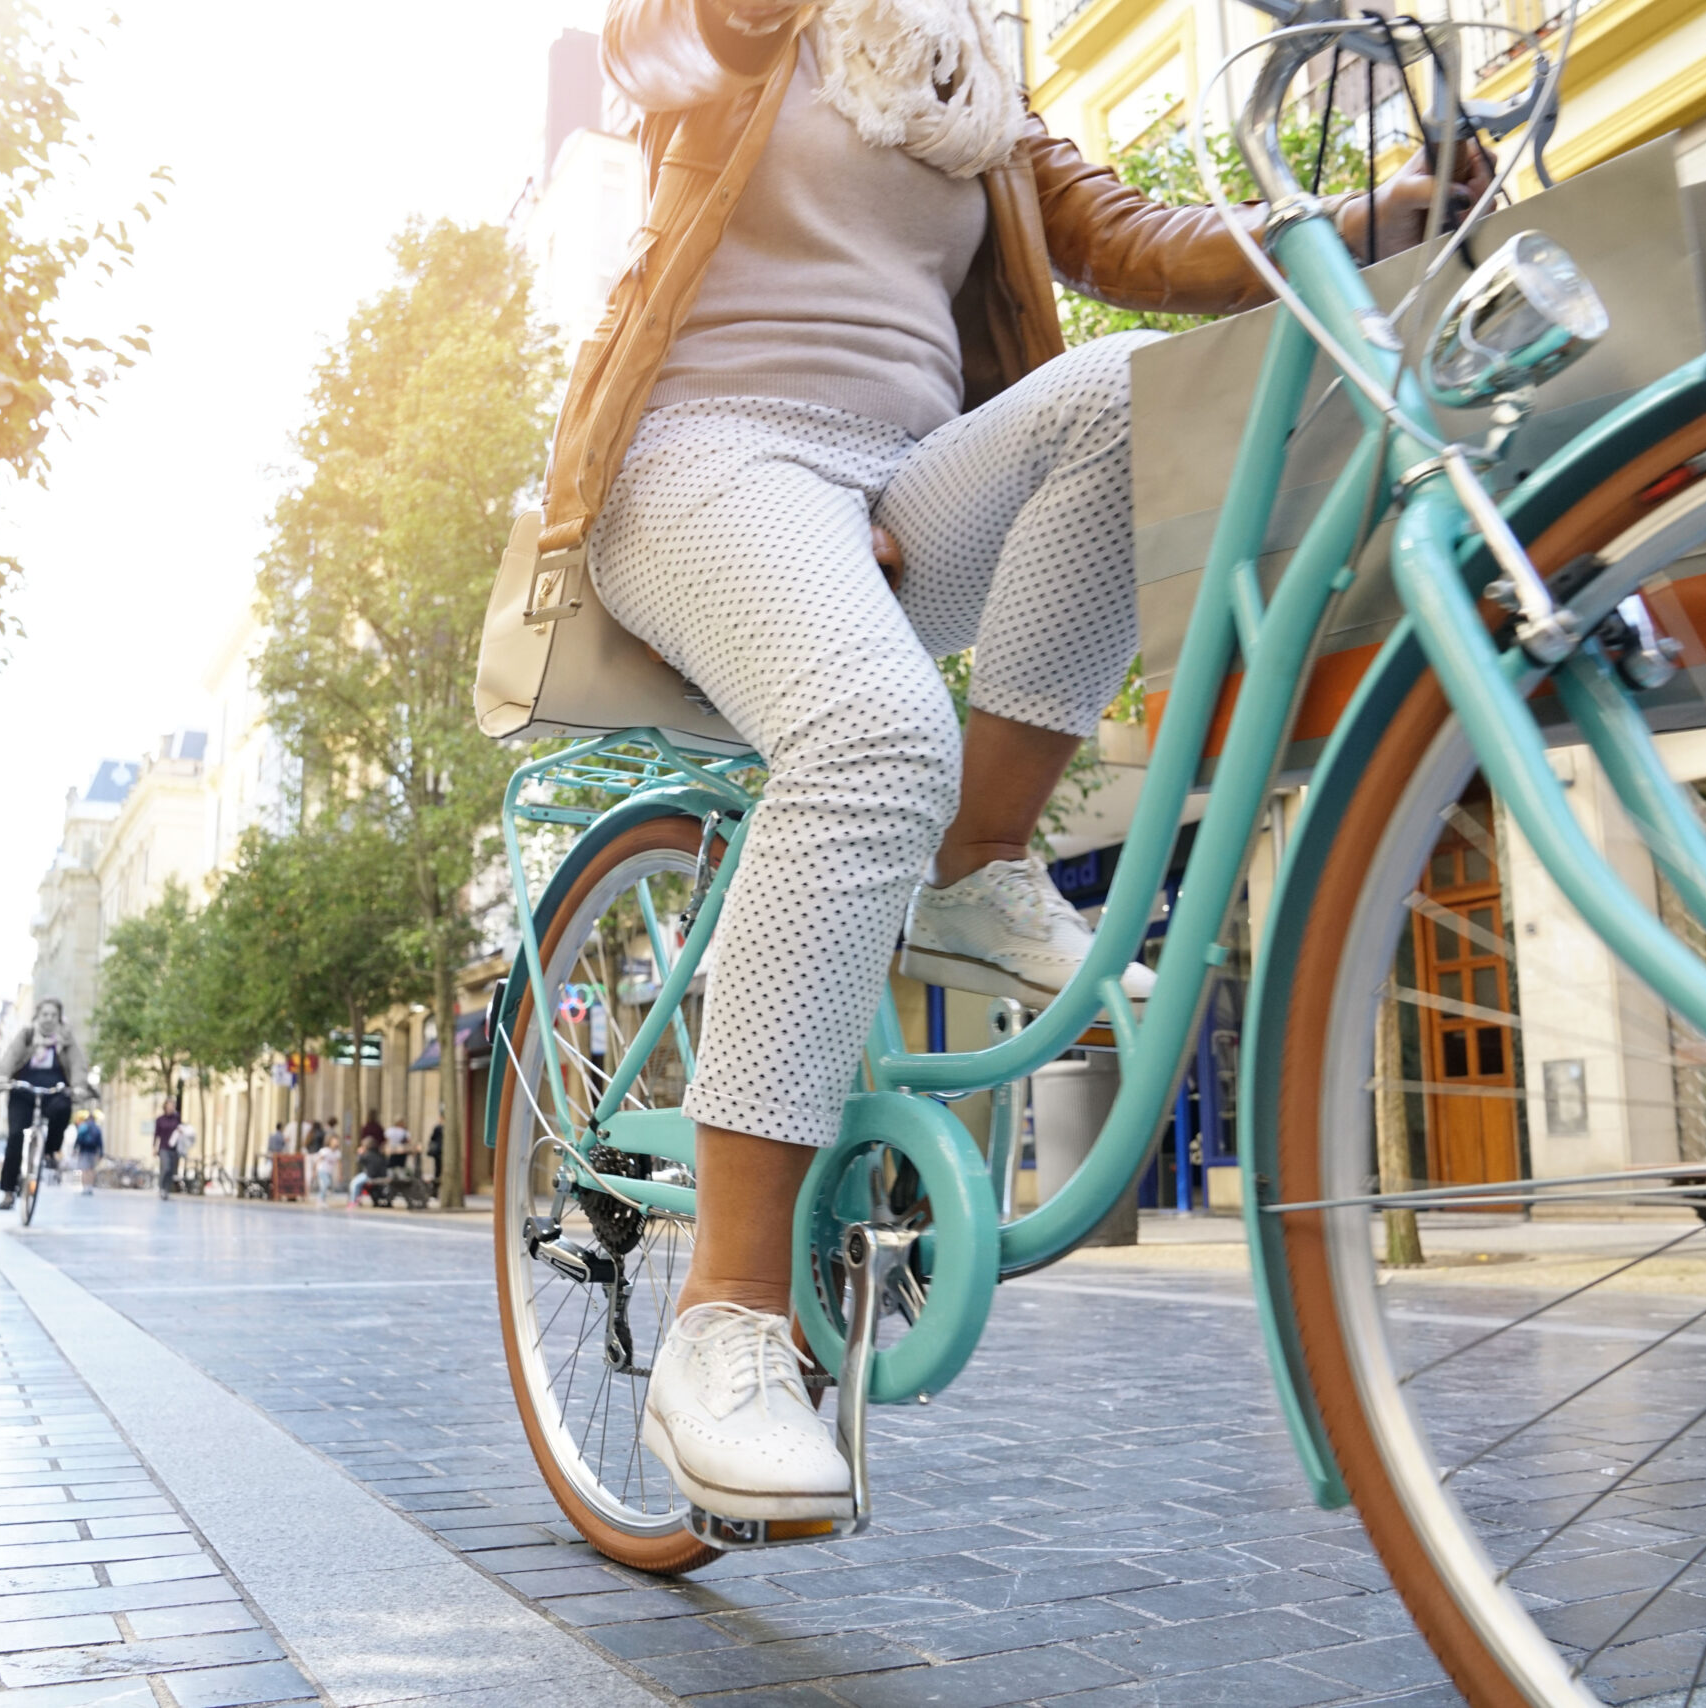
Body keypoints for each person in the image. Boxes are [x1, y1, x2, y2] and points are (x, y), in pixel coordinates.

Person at [572, 0, 1485, 1519]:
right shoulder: (726, 26)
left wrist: (1369, 216)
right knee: (876, 732)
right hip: (709, 463)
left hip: (900, 486)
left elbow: (1133, 239)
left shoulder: (966, 72)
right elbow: (660, 46)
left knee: (1136, 400)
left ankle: (977, 859)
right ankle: (722, 1323)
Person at [0, 998, 90, 1212]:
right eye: (45, 1014)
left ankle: (50, 1150)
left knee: (63, 1107)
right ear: (38, 1015)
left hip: (54, 1089)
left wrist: (79, 1085)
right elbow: (10, 1057)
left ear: (59, 1018)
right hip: (22, 1089)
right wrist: (2, 1077)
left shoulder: (66, 1039)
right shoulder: (26, 1035)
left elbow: (77, 1064)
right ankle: (8, 1192)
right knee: (15, 1136)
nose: (49, 1019)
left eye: (53, 1015)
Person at [348, 1127, 390, 1208]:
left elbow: (358, 1161)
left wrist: (360, 1153)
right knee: (359, 1181)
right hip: (381, 1175)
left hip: (370, 1176)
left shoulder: (367, 1155)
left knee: (354, 1183)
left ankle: (354, 1201)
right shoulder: (379, 1154)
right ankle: (357, 1199)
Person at [153, 1098, 183, 1199]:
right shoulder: (160, 1120)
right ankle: (161, 1188)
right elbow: (156, 1134)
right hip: (163, 1148)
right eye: (169, 1105)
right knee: (165, 1168)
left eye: (173, 1105)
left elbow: (181, 1130)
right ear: (165, 1106)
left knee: (171, 1170)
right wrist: (154, 1147)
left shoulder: (177, 1118)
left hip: (174, 1148)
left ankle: (166, 1190)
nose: (171, 1107)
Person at [72, 1110, 106, 1195]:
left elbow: (78, 1138)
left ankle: (84, 1188)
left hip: (84, 1150)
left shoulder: (84, 1126)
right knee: (91, 1170)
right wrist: (101, 1153)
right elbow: (100, 1142)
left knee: (84, 1170)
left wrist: (75, 1149)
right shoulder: (97, 1128)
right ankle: (90, 1187)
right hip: (93, 1151)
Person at [306, 1120, 338, 1202]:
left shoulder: (310, 1134)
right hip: (318, 1154)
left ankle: (309, 1190)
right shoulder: (321, 1133)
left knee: (310, 1174)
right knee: (325, 1181)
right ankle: (320, 1195)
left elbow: (306, 1144)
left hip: (310, 1154)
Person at [265, 1122, 291, 1201]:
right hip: (279, 1158)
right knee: (278, 1175)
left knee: (272, 1174)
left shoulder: (271, 1136)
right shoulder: (282, 1137)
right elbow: (285, 1147)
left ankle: (272, 1192)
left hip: (271, 1157)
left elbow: (269, 1147)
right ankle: (276, 1192)